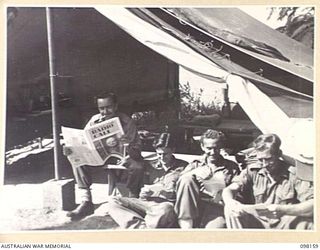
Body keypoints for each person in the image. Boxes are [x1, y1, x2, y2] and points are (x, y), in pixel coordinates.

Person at [63, 93, 144, 220]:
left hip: (122, 157)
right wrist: (71, 149)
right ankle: (86, 202)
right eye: (101, 108)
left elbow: (137, 150)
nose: (105, 112)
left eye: (109, 107)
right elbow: (84, 141)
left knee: (137, 166)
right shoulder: (94, 120)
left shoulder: (126, 121)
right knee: (77, 160)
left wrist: (127, 145)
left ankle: (134, 201)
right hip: (99, 157)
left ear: (116, 106)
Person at [222, 133, 314, 230]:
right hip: (258, 221)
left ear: (278, 154)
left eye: (269, 159)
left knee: (309, 225)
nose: (264, 164)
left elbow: (313, 205)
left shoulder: (293, 174)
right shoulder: (253, 170)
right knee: (230, 210)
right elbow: (230, 189)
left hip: (284, 221)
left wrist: (283, 210)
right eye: (260, 160)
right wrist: (230, 202)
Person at [107, 132, 188, 229]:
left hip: (165, 204)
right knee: (113, 201)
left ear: (173, 150)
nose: (161, 158)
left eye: (165, 154)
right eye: (159, 154)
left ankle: (142, 227)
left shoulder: (183, 167)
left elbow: (186, 193)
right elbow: (135, 163)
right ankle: (141, 228)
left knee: (166, 209)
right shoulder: (149, 165)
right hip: (145, 203)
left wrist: (168, 193)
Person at [174, 129, 240, 229]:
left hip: (217, 208)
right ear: (202, 147)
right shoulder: (195, 165)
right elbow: (178, 184)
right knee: (186, 179)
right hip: (195, 207)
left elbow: (239, 190)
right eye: (209, 148)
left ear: (221, 147)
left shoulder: (231, 167)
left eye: (216, 148)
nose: (212, 152)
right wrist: (194, 173)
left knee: (212, 233)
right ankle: (186, 226)